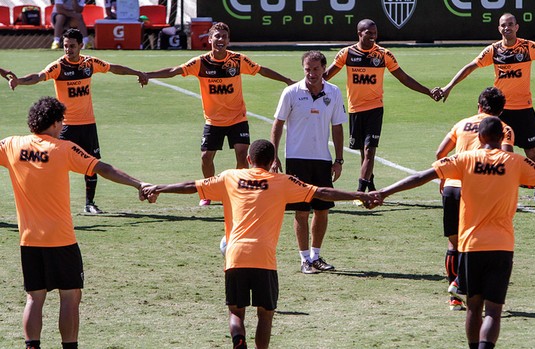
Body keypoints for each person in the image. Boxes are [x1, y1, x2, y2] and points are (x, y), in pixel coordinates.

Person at [369, 116, 535, 349]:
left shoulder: (465, 158)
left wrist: (384, 193)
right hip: (502, 245)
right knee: (493, 311)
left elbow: (421, 176)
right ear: (500, 137)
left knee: (474, 307)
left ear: (481, 136)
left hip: (470, 245)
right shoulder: (516, 162)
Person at [141, 139, 378, 349]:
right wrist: (360, 195)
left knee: (236, 312)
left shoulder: (230, 177)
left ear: (247, 159)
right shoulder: (284, 181)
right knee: (265, 315)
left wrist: (159, 188)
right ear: (272, 161)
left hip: (235, 255)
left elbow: (191, 186)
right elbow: (323, 193)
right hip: (264, 258)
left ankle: (238, 341)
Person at [0, 96, 150, 349]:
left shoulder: (11, 145)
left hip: (29, 239)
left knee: (34, 298)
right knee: (70, 297)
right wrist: (139, 184)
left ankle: (31, 346)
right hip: (61, 239)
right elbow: (102, 168)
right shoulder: (64, 148)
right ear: (57, 122)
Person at [440, 13, 535, 207]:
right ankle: (497, 190)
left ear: (517, 27)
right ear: (499, 29)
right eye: (503, 25)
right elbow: (470, 67)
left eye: (510, 25)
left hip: (524, 110)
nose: (507, 28)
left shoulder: (528, 47)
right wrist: (449, 86)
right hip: (499, 112)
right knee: (496, 152)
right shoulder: (493, 50)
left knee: (531, 153)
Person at [145, 22, 295, 207]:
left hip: (237, 118)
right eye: (217, 36)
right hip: (213, 121)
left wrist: (286, 80)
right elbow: (174, 71)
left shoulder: (238, 60)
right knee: (206, 157)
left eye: (224, 36)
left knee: (242, 154)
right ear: (210, 40)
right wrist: (149, 75)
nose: (220, 39)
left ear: (228, 40)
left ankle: (240, 190)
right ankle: (208, 193)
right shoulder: (200, 62)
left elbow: (261, 70)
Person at [9, 29, 148, 214]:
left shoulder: (89, 63)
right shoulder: (58, 66)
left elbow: (114, 68)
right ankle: (43, 201)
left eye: (72, 46)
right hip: (65, 126)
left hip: (88, 124)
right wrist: (20, 81)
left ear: (81, 46)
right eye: (65, 46)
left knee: (92, 163)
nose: (68, 50)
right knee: (54, 162)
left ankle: (89, 204)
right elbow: (38, 76)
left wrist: (137, 72)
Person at [324, 18, 442, 196]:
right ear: (359, 33)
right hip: (355, 109)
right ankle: (370, 183)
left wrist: (427, 92)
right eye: (369, 33)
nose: (373, 36)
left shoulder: (383, 54)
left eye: (375, 33)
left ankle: (360, 192)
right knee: (363, 153)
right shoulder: (347, 53)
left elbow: (404, 78)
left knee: (370, 150)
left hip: (375, 108)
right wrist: (303, 86)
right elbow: (326, 76)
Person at [435, 87, 514, 311]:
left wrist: (444, 179)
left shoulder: (462, 124)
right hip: (479, 191)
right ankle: (463, 285)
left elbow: (440, 153)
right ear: (501, 110)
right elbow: (505, 158)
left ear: (478, 105)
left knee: (454, 243)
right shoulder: (503, 128)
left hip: (452, 187)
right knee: (478, 243)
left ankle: (454, 296)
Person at [270, 51, 348, 274]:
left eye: (315, 69)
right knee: (301, 212)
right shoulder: (291, 92)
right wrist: (275, 156)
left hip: (322, 159)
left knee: (322, 210)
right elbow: (277, 125)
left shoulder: (333, 92)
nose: (311, 74)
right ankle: (304, 259)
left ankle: (316, 255)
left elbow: (338, 126)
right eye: (307, 69)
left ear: (324, 69)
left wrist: (339, 160)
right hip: (296, 160)